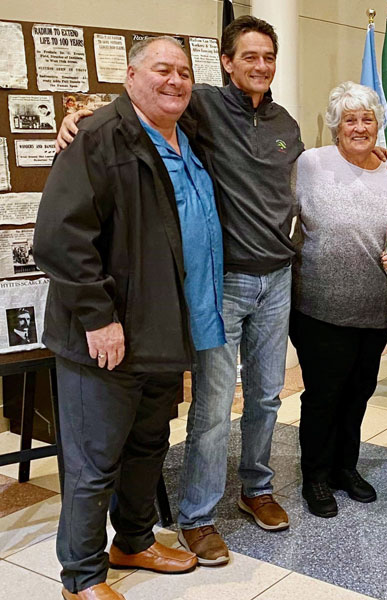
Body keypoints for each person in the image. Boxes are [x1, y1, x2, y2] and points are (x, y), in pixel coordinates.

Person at [57, 16, 304, 566]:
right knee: (213, 407)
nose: (259, 66)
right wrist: (80, 116)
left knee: (265, 396)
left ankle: (254, 488)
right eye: (249, 56)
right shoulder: (202, 106)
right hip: (220, 285)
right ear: (227, 61)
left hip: (269, 279)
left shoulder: (285, 122)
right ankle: (196, 516)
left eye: (268, 57)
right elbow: (138, 106)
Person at [34, 36, 213, 600]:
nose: (176, 80)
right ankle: (82, 576)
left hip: (162, 329)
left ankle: (133, 540)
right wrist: (97, 317)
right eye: (162, 69)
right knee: (93, 461)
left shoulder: (190, 135)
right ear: (130, 75)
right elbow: (61, 238)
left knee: (147, 445)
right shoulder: (96, 137)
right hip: (106, 333)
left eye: (184, 71)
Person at [290, 81, 387, 519]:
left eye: (367, 119)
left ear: (379, 124)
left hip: (373, 308)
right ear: (336, 126)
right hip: (318, 307)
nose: (359, 127)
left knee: (359, 393)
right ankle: (315, 476)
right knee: (323, 395)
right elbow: (282, 217)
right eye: (350, 120)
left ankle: (345, 468)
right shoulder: (311, 164)